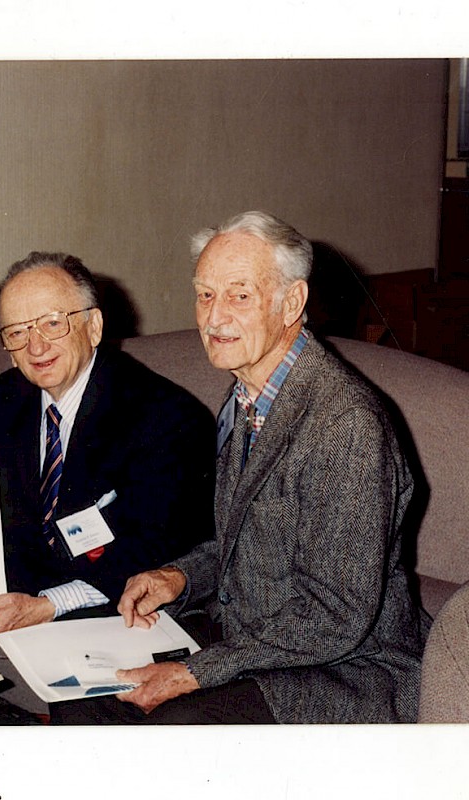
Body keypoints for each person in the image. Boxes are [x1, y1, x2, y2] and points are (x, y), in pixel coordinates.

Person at [53, 211, 429, 724]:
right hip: (258, 638)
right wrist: (178, 577)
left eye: (239, 295)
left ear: (291, 303)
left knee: (176, 724)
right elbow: (250, 545)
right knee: (84, 692)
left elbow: (335, 615)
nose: (214, 318)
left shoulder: (345, 423)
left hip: (345, 667)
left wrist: (195, 673)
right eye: (205, 295)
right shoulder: (245, 397)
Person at [0, 251, 212, 641]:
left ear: (94, 327)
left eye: (53, 323)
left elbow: (157, 545)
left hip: (110, 594)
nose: (36, 347)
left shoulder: (163, 413)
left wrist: (48, 604)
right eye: (17, 332)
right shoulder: (3, 396)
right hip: (25, 578)